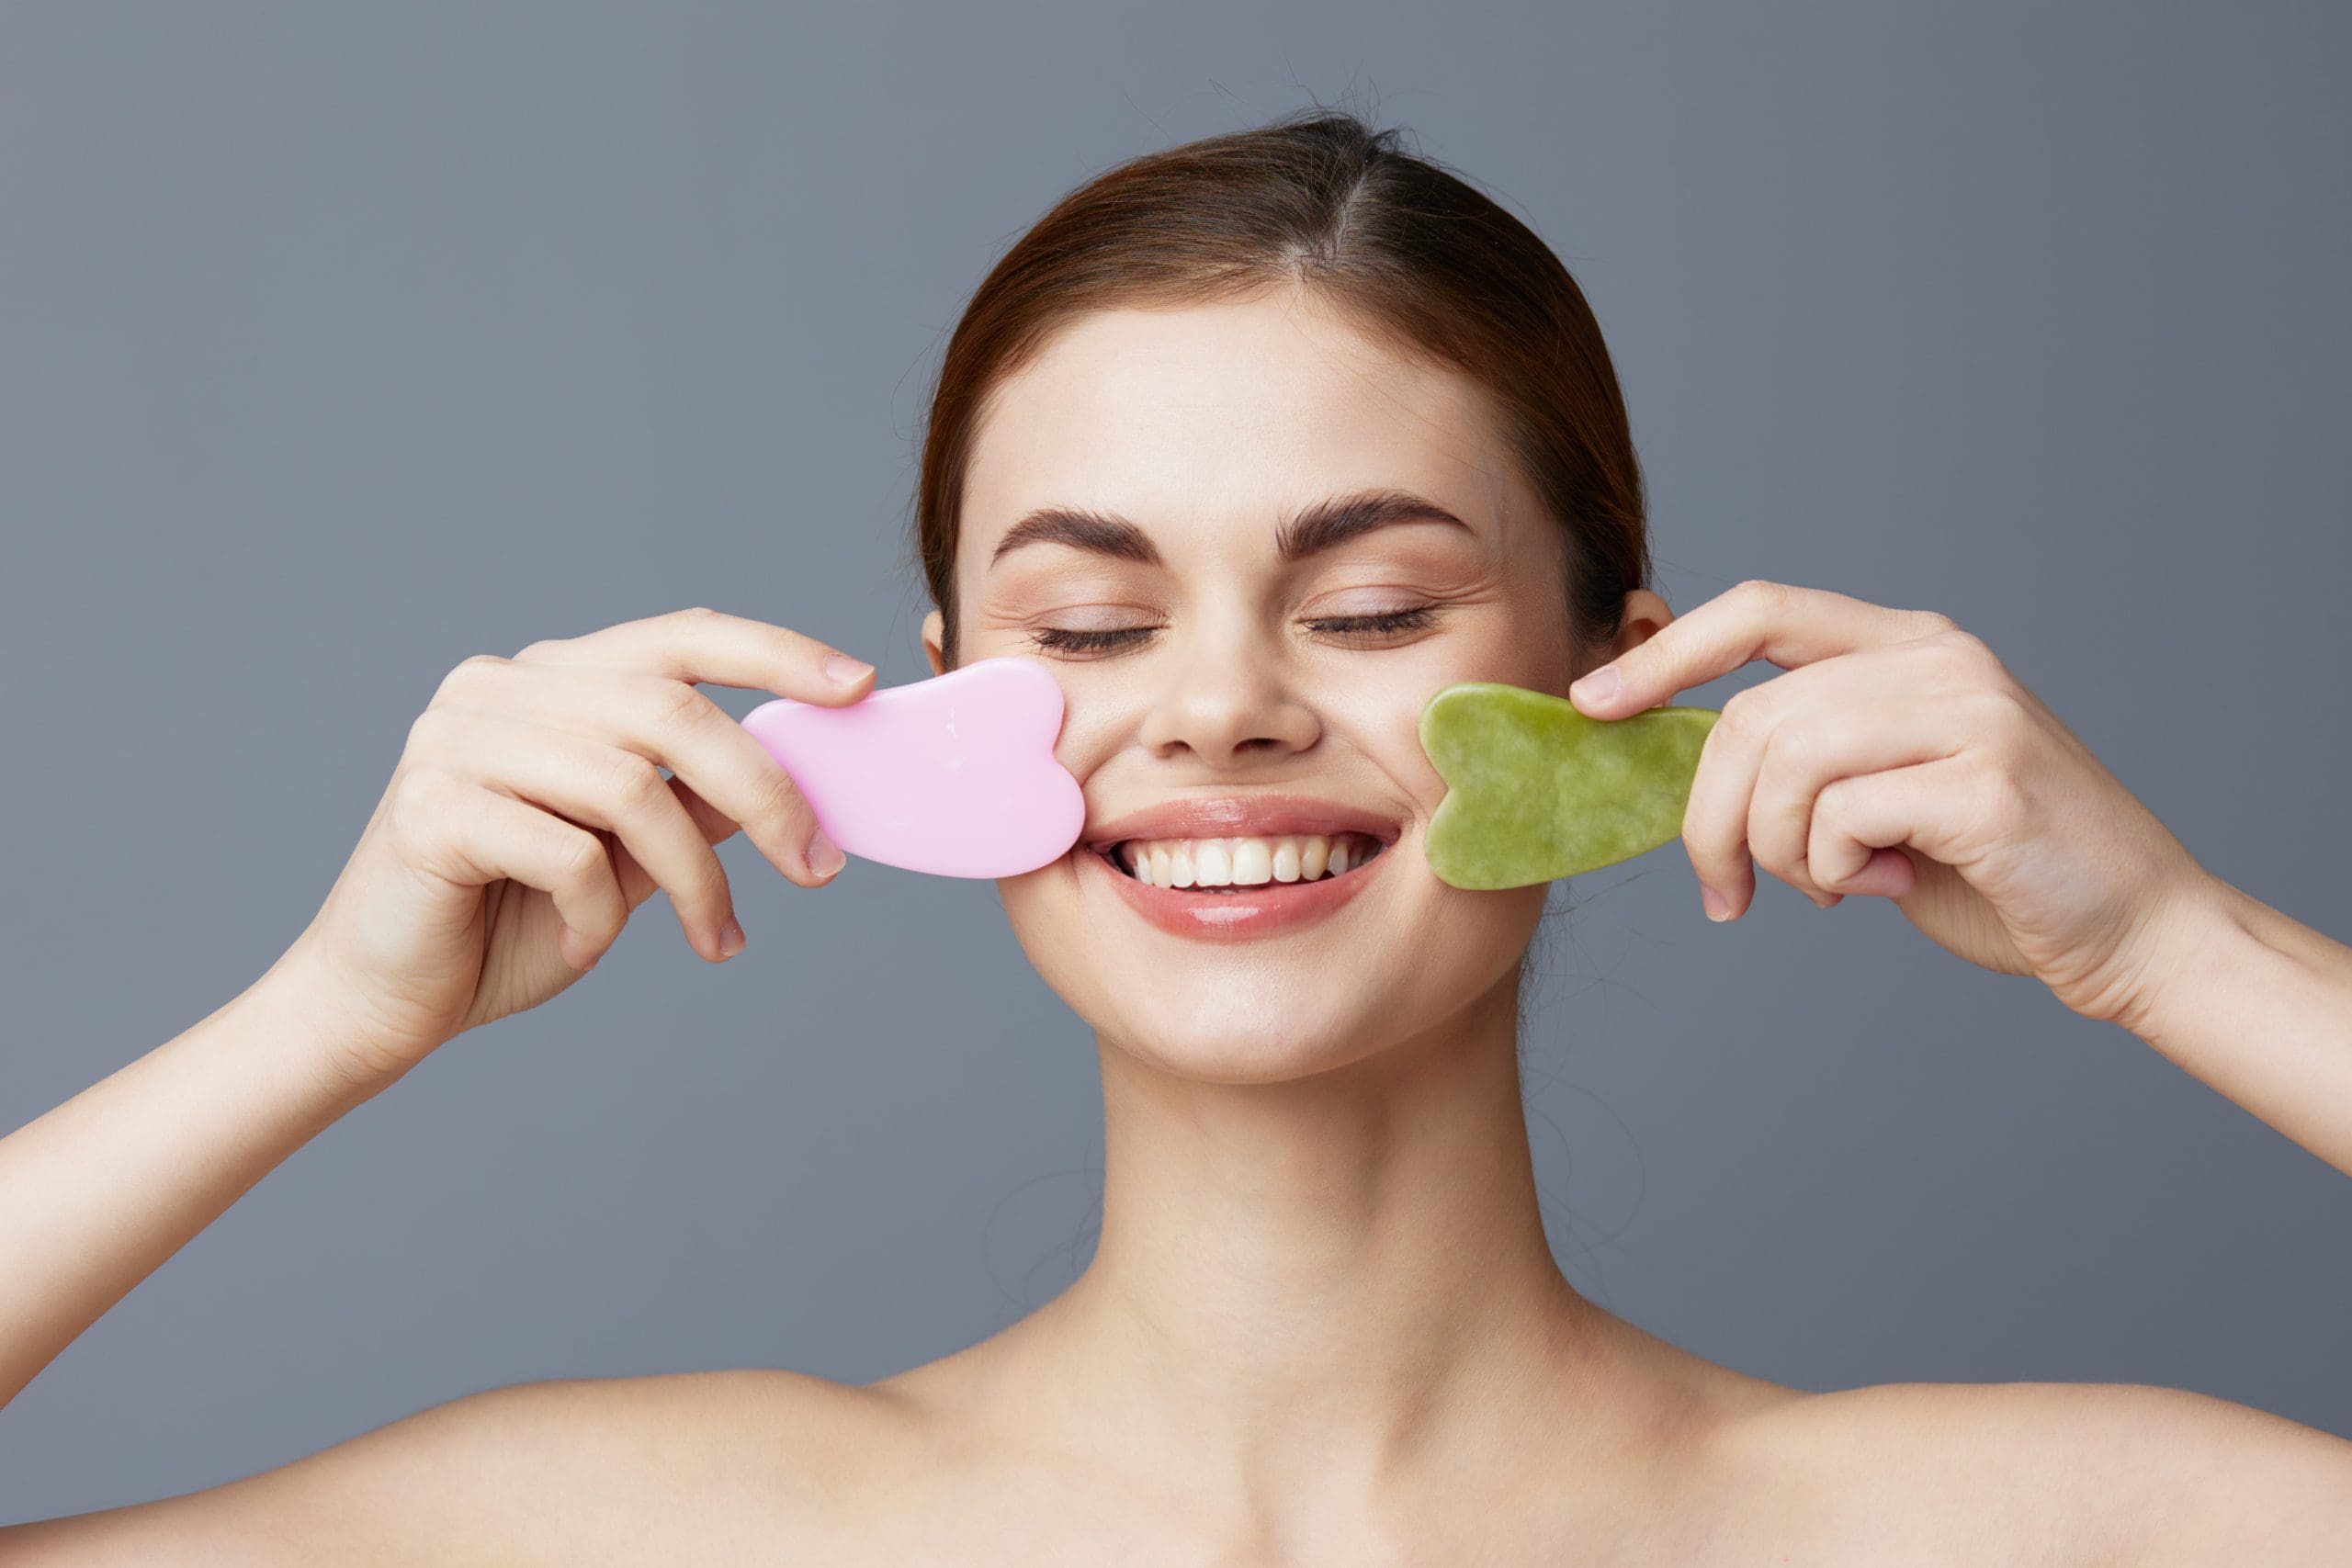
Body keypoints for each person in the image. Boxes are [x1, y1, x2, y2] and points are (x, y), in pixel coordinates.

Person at [5, 107, 2348, 1563]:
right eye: (1091, 619)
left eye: (1364, 603)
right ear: (938, 693)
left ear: (1614, 680)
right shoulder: (628, 1528)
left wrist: (2174, 947)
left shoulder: (2065, 1525)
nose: (1218, 709)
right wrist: (325, 1016)